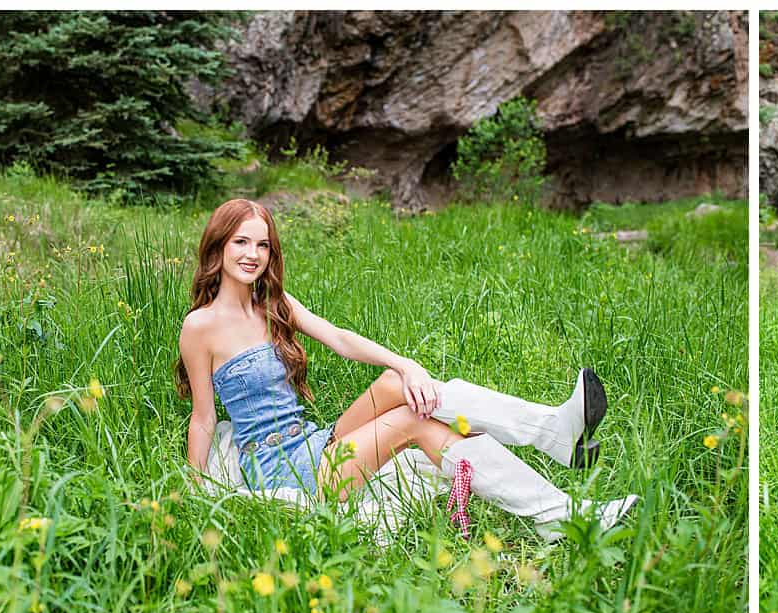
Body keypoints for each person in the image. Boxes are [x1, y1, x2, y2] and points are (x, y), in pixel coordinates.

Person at [176, 199, 637, 540]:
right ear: (218, 245)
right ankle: (560, 505)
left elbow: (339, 339)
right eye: (241, 242)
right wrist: (196, 493)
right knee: (418, 421)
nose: (253, 254)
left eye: (262, 244)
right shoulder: (201, 328)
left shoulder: (272, 304)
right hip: (283, 470)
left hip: (314, 441)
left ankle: (553, 456)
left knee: (400, 385)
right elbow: (203, 417)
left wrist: (405, 363)